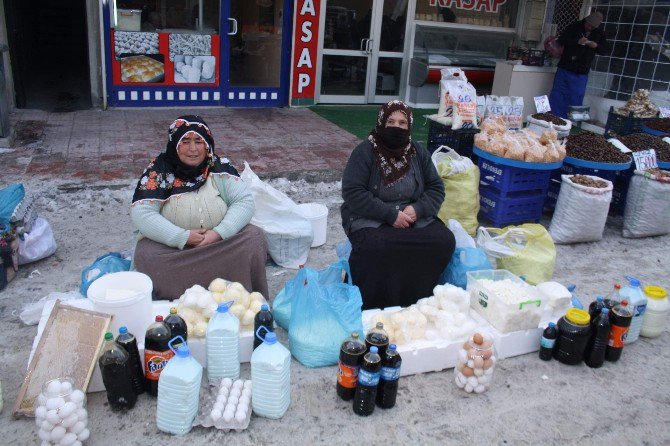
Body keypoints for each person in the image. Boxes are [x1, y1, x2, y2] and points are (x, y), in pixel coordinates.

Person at [131, 115, 269, 300]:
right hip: (175, 252)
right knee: (146, 253)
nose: (193, 149)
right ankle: (180, 301)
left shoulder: (219, 167)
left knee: (254, 238)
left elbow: (243, 201)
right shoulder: (159, 172)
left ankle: (240, 298)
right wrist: (183, 237)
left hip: (219, 245)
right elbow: (142, 213)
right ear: (175, 144)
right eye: (185, 141)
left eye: (198, 141)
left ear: (207, 144)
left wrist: (219, 233)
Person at [341, 100, 456, 310]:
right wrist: (389, 214)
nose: (397, 127)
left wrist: (418, 209)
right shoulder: (365, 151)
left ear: (409, 126)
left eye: (403, 123)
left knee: (443, 240)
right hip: (372, 216)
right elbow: (352, 192)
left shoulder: (417, 152)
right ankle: (373, 305)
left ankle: (417, 300)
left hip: (412, 217)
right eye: (391, 121)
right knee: (376, 247)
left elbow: (435, 188)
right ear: (381, 122)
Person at [549, 11, 609, 118]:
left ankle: (572, 122)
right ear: (585, 20)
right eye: (588, 24)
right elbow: (562, 40)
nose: (589, 27)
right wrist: (577, 41)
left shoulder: (600, 33)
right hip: (565, 66)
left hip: (581, 71)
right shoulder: (575, 26)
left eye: (592, 26)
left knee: (576, 97)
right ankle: (554, 117)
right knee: (558, 94)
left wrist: (595, 46)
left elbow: (604, 51)